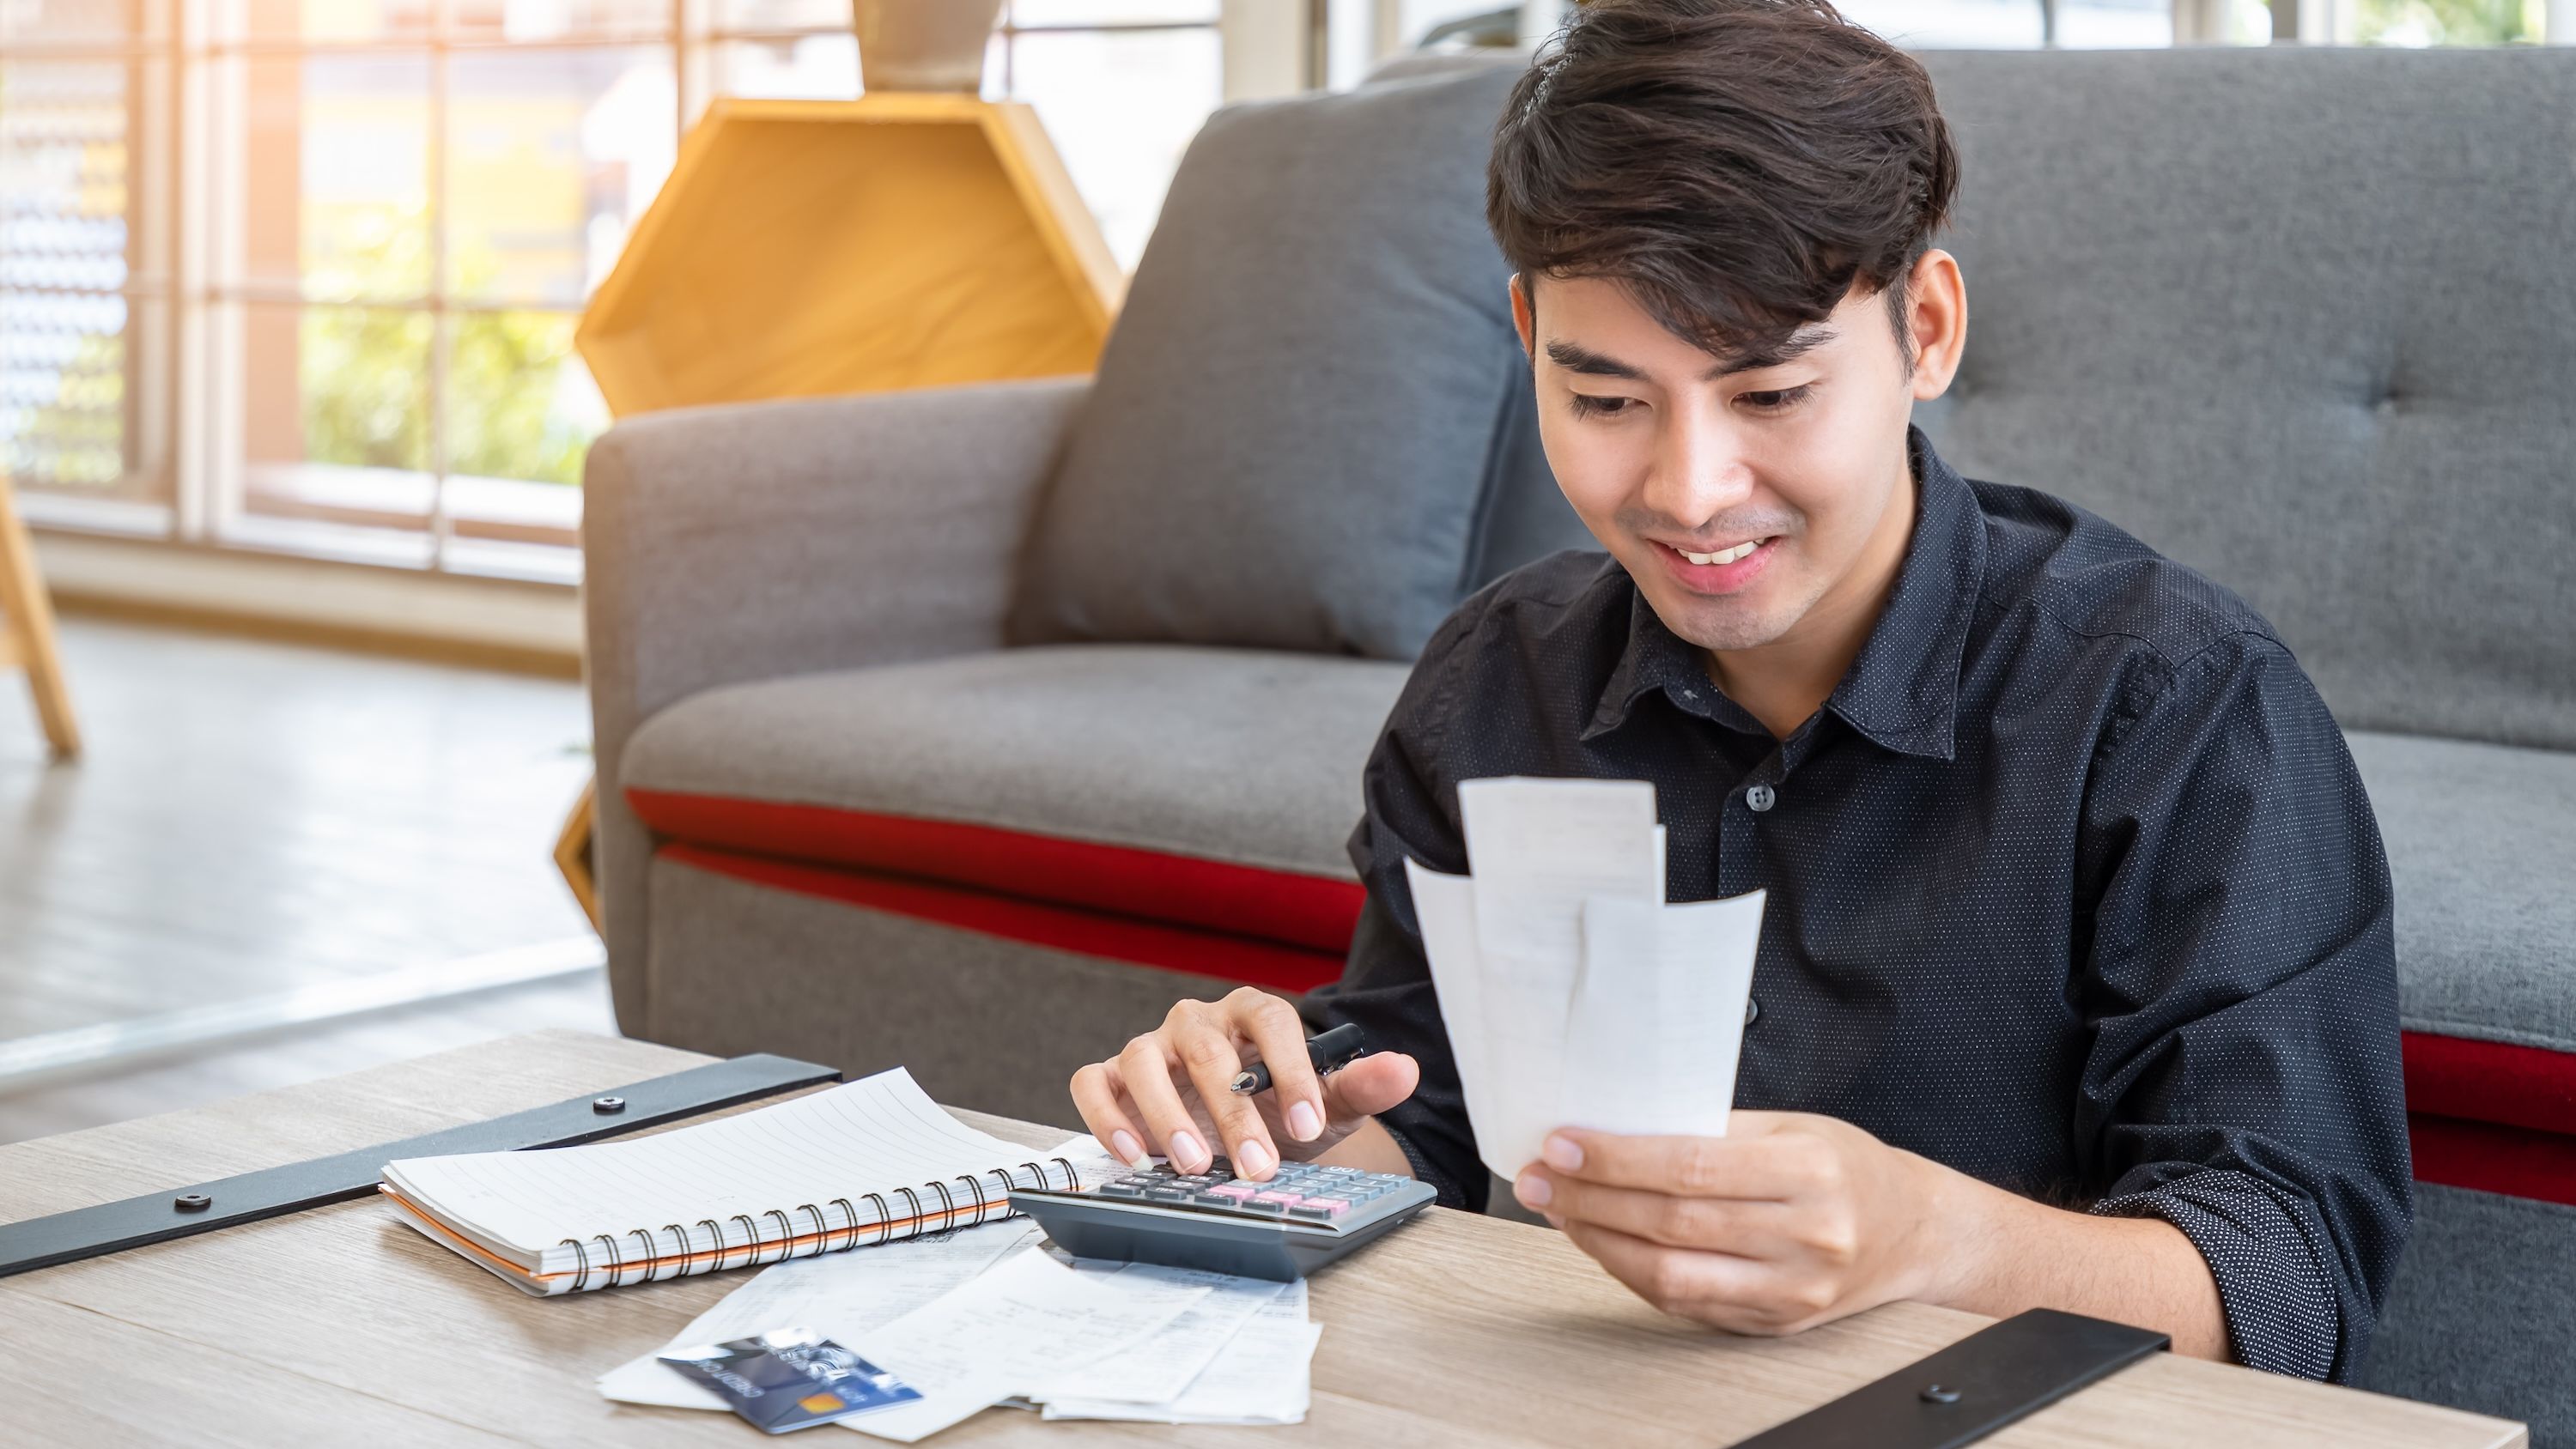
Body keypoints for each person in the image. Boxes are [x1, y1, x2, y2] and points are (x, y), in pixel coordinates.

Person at [1067, 0, 2409, 1383]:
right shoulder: (1496, 684)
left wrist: (1934, 1240)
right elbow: (1430, 1121)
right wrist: (1269, 1125)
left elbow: (2286, 1272)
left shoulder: (2177, 706)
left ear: (1926, 331)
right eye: (1605, 402)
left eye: (1769, 395)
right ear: (1529, 335)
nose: (1688, 493)